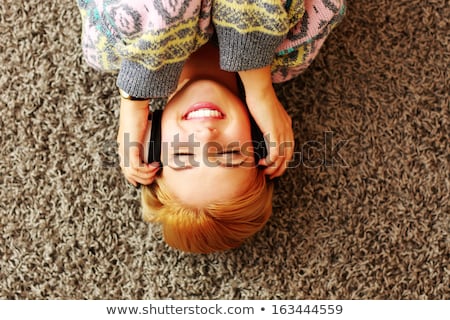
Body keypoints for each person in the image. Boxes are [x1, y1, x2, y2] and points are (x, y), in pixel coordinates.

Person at [77, 0, 346, 253]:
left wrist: (136, 98)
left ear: (150, 141)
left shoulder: (107, 47)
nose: (206, 137)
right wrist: (258, 85)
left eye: (183, 155)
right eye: (230, 154)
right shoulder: (296, 44)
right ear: (260, 138)